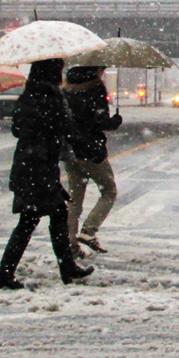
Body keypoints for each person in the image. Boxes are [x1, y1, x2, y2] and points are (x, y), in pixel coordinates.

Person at [0, 59, 93, 289]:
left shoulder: (28, 96)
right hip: (39, 167)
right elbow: (64, 127)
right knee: (34, 220)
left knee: (49, 216)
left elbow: (17, 128)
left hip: (29, 165)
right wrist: (88, 146)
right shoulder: (51, 97)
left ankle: (63, 268)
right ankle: (5, 275)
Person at [61, 65, 122, 254]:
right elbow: (99, 121)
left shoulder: (65, 91)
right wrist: (115, 121)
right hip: (91, 150)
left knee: (74, 199)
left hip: (70, 150)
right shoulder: (96, 89)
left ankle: (70, 244)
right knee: (109, 191)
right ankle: (89, 230)